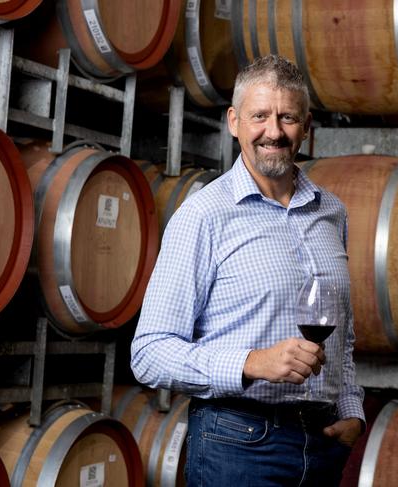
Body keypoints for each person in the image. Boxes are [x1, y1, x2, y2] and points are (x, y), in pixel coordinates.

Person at [131, 54, 364, 486]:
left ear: (307, 126)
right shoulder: (204, 215)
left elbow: (342, 335)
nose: (273, 132)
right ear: (234, 121)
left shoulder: (332, 212)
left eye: (287, 117)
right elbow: (149, 354)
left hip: (324, 443)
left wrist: (351, 410)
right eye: (260, 116)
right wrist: (251, 363)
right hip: (238, 444)